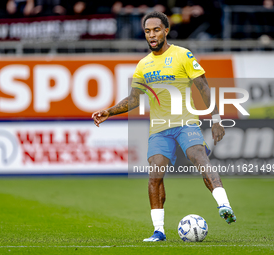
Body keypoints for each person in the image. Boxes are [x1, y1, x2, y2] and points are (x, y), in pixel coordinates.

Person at [92, 11, 236, 242]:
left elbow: (203, 87)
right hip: (159, 128)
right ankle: (158, 230)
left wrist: (216, 118)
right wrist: (109, 111)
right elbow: (134, 99)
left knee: (198, 156)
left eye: (156, 30)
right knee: (154, 175)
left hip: (185, 122)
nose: (151, 35)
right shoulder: (143, 65)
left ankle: (224, 205)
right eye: (147, 31)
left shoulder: (182, 55)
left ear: (166, 31)